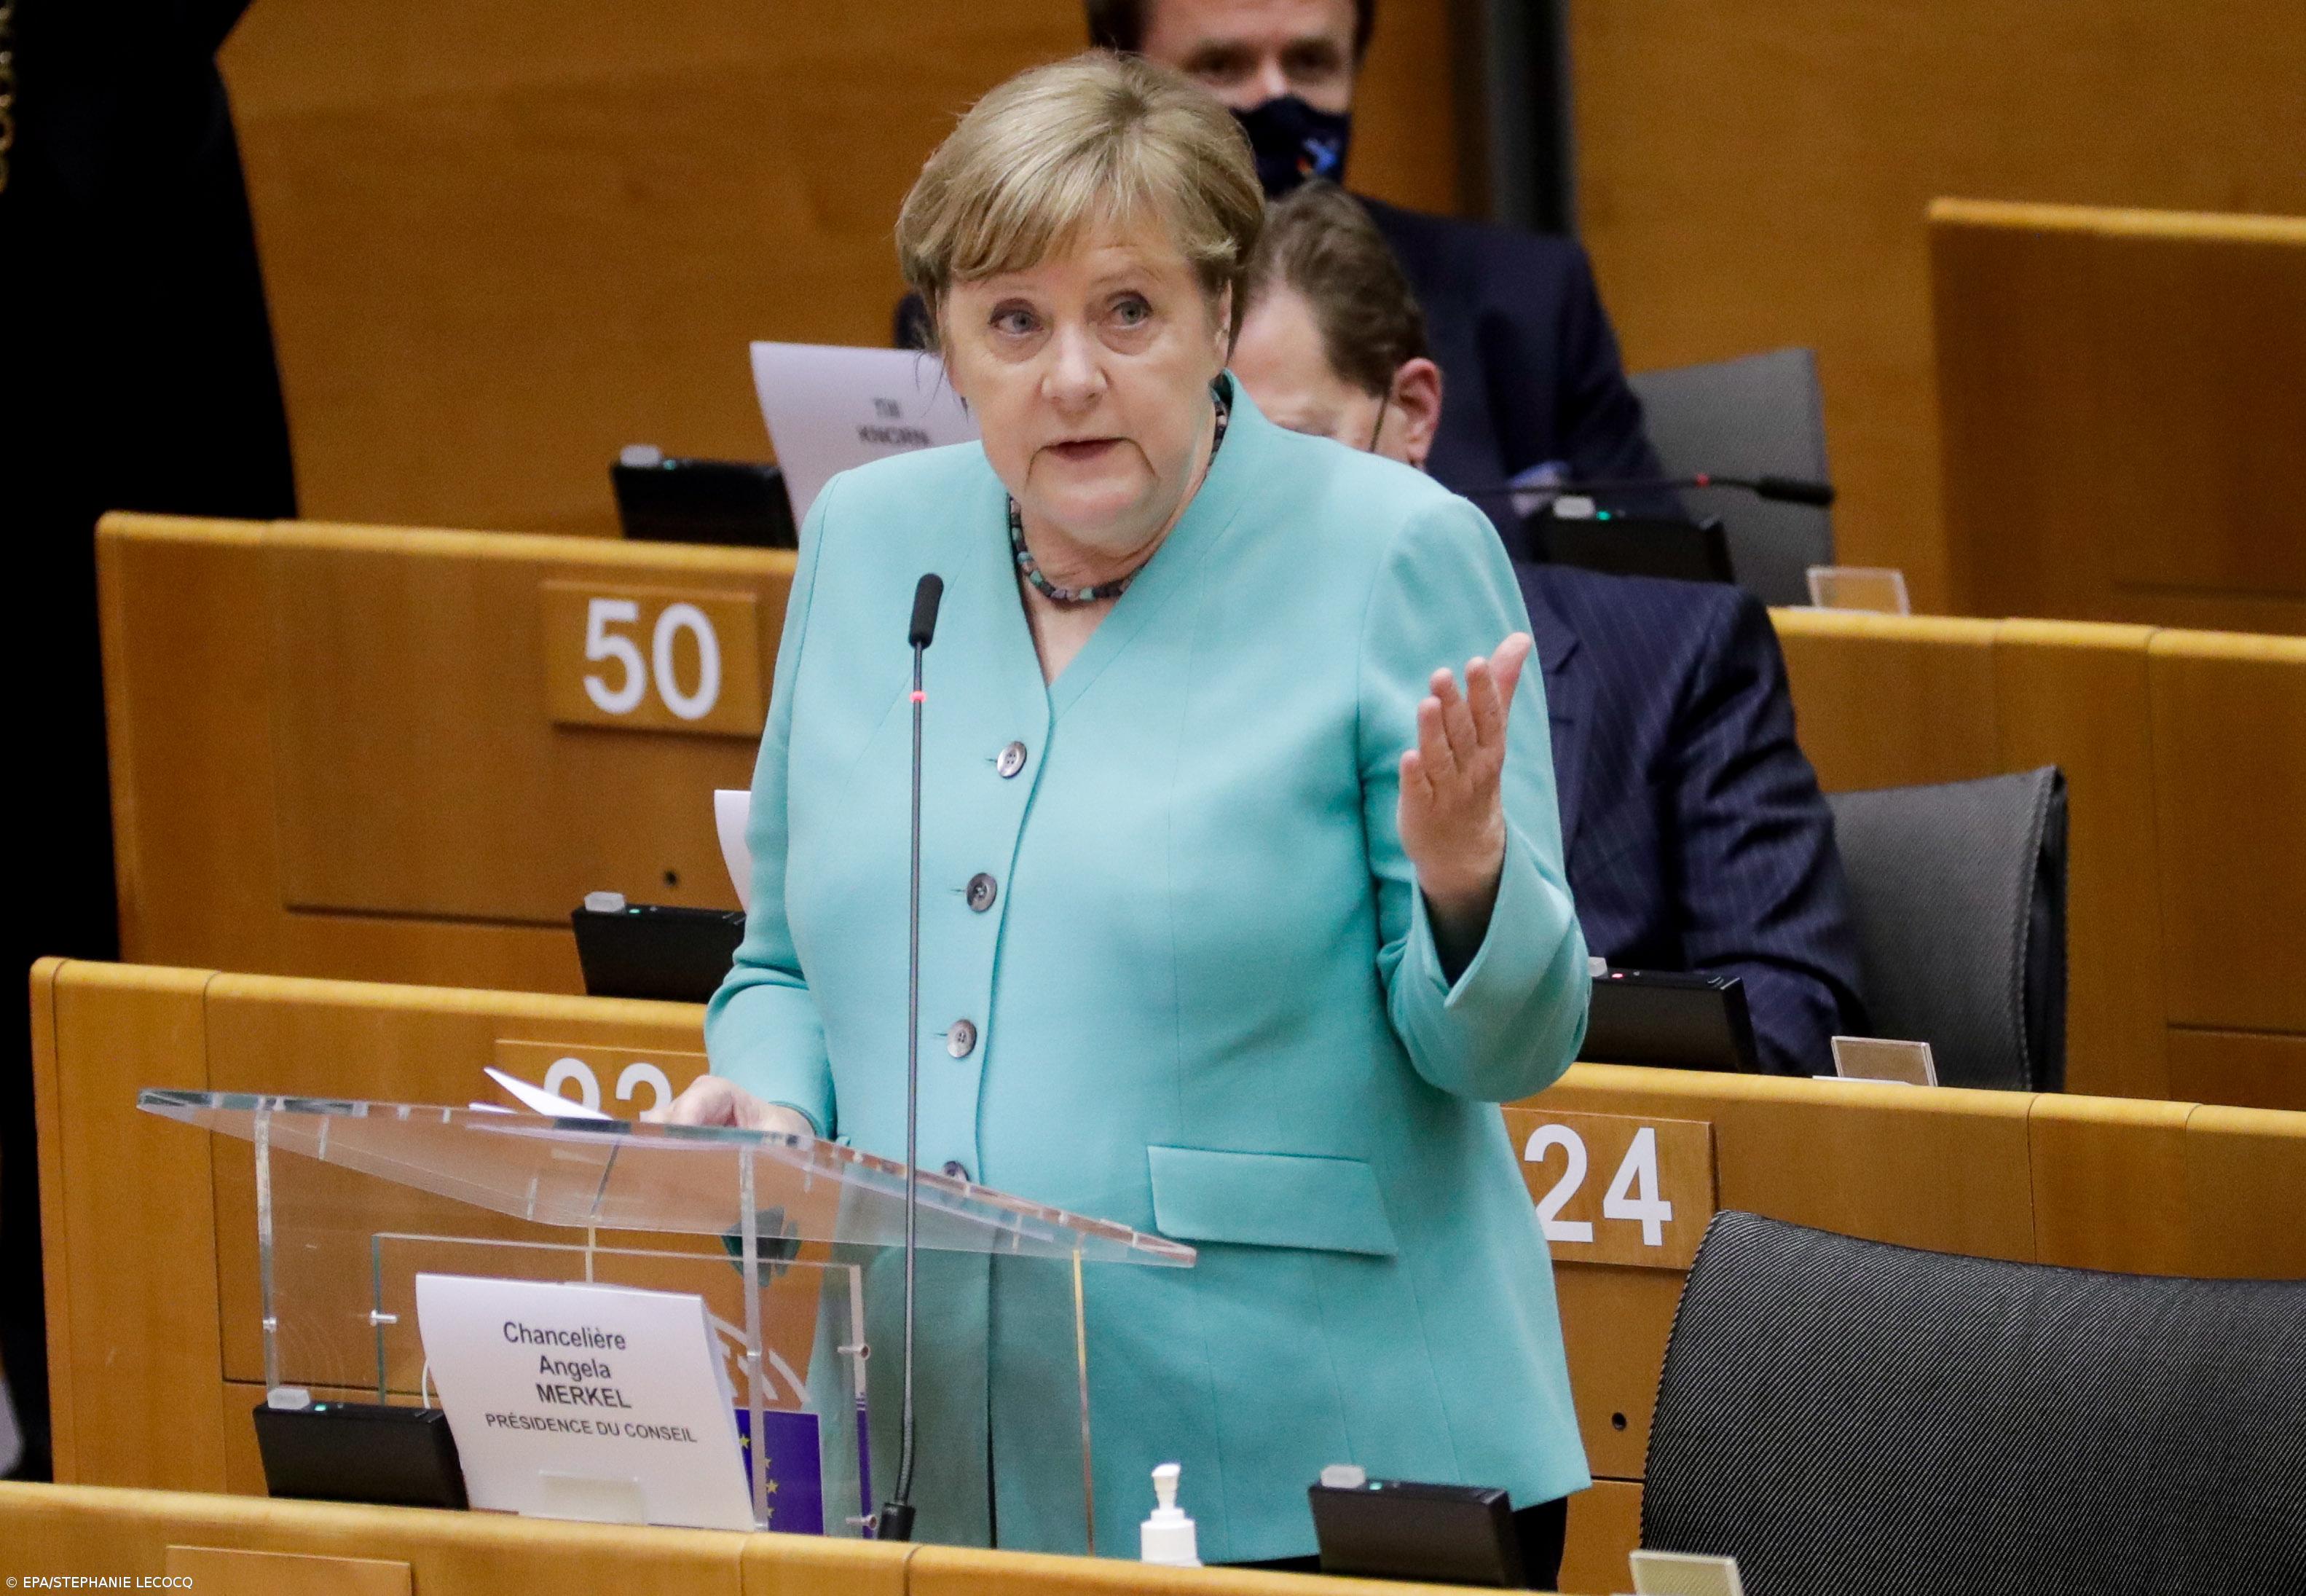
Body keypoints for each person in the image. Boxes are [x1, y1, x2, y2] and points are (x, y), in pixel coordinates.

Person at [663, 53, 1590, 1579]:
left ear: (1221, 316)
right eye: (1014, 322)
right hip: (936, 1453)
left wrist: (1467, 881)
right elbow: (782, 966)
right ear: (946, 346)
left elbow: (1509, 1051)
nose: (1072, 376)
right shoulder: (868, 543)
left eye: (1129, 311)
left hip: (1323, 1470)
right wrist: (769, 1107)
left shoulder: (1393, 554)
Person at [1232, 183, 1866, 1076]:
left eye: (1293, 449)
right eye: (1213, 462)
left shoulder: (1680, 662)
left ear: (1412, 412)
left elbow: (1786, 1027)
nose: (1247, 509)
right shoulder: (1134, 677)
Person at [1085, 0, 1666, 540]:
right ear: (1125, 81)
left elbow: (1658, 584)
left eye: (1310, 61)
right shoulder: (1062, 327)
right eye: (1221, 65)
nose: (1276, 96)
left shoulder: (1528, 297)